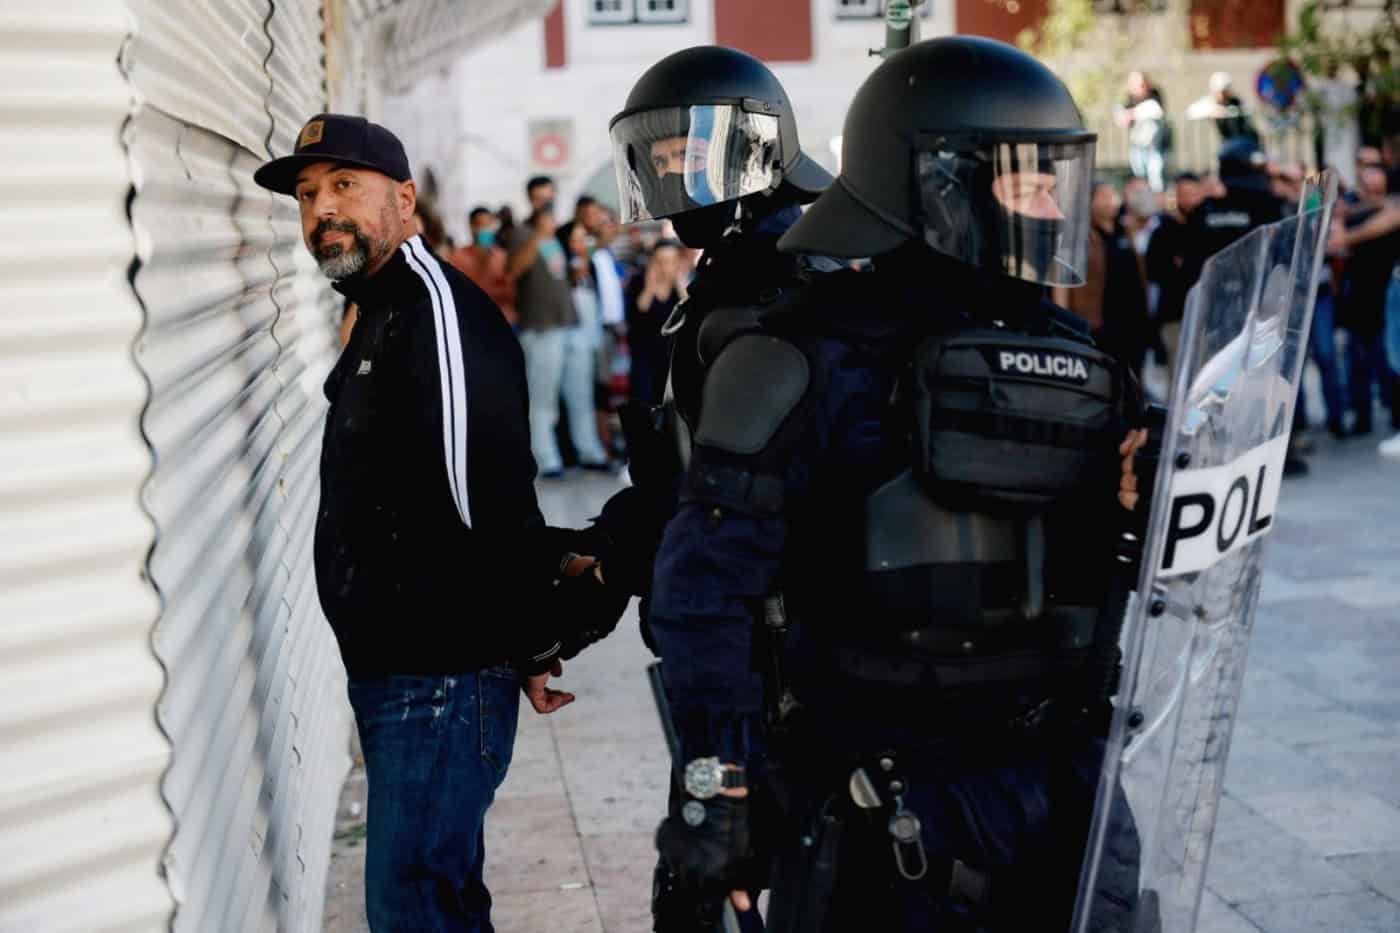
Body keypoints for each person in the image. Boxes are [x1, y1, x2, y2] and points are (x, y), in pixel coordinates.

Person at [645, 38, 1154, 931]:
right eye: (1024, 185)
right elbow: (704, 594)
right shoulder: (797, 358)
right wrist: (716, 795)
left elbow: (1133, 563)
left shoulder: (1080, 363)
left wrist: (1155, 488)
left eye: (1054, 186)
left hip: (1060, 798)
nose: (1050, 209)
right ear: (942, 188)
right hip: (880, 806)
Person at [253, 114, 626, 933]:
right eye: (307, 195)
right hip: (405, 674)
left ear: (405, 198)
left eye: (344, 185)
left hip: (440, 678)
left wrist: (533, 640)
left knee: (414, 908)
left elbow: (487, 496)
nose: (322, 209)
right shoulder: (378, 307)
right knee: (437, 902)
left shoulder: (434, 309)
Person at [589, 43, 835, 931]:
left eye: (687, 151)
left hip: (775, 645)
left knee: (738, 881)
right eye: (656, 157)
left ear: (755, 147)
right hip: (730, 641)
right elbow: (678, 476)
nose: (671, 173)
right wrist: (602, 562)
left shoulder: (789, 278)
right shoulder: (729, 275)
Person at [1184, 136, 1311, 475]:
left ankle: (1226, 452)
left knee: (1223, 384)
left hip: (1221, 315)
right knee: (1269, 383)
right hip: (1262, 313)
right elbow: (1290, 260)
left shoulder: (1204, 213)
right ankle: (1277, 452)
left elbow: (1192, 268)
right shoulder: (1270, 209)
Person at [625, 238, 685, 408]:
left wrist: (680, 285)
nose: (664, 266)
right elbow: (637, 313)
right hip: (644, 355)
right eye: (660, 261)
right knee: (643, 401)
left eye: (670, 261)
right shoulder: (638, 281)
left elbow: (690, 313)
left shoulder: (683, 287)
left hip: (671, 357)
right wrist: (650, 286)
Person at [449, 206, 516, 325]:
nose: (485, 229)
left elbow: (511, 290)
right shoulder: (458, 257)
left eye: (488, 225)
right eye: (480, 225)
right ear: (472, 227)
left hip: (504, 321)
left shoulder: (502, 256)